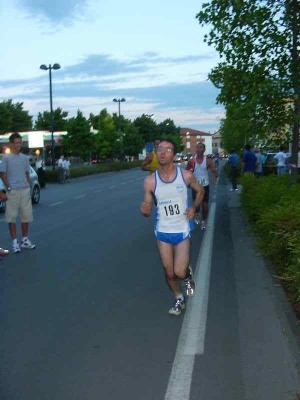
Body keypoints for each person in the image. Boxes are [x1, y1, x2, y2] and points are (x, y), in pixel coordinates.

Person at [141, 139, 204, 316]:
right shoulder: (150, 181)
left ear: (173, 156)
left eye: (167, 150)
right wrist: (145, 209)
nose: (162, 152)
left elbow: (200, 191)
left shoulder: (185, 176)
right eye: (160, 149)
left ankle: (187, 276)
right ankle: (179, 298)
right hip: (162, 231)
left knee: (179, 271)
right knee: (169, 273)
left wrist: (194, 207)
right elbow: (147, 204)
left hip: (182, 230)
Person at [0, 133, 35, 253]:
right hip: (13, 191)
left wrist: (27, 185)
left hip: (24, 190)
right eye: (16, 143)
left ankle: (24, 240)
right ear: (11, 144)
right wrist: (8, 188)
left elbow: (26, 173)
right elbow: (2, 174)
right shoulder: (6, 158)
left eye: (20, 142)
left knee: (26, 216)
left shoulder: (24, 158)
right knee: (11, 218)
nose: (18, 145)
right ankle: (14, 242)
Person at [186, 142, 218, 229]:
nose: (198, 149)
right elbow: (187, 172)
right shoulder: (191, 161)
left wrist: (215, 176)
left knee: (205, 205)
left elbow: (214, 171)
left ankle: (204, 220)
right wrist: (188, 182)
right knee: (196, 205)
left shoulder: (208, 161)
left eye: (200, 147)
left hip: (205, 186)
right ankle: (197, 214)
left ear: (204, 150)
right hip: (195, 187)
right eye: (197, 147)